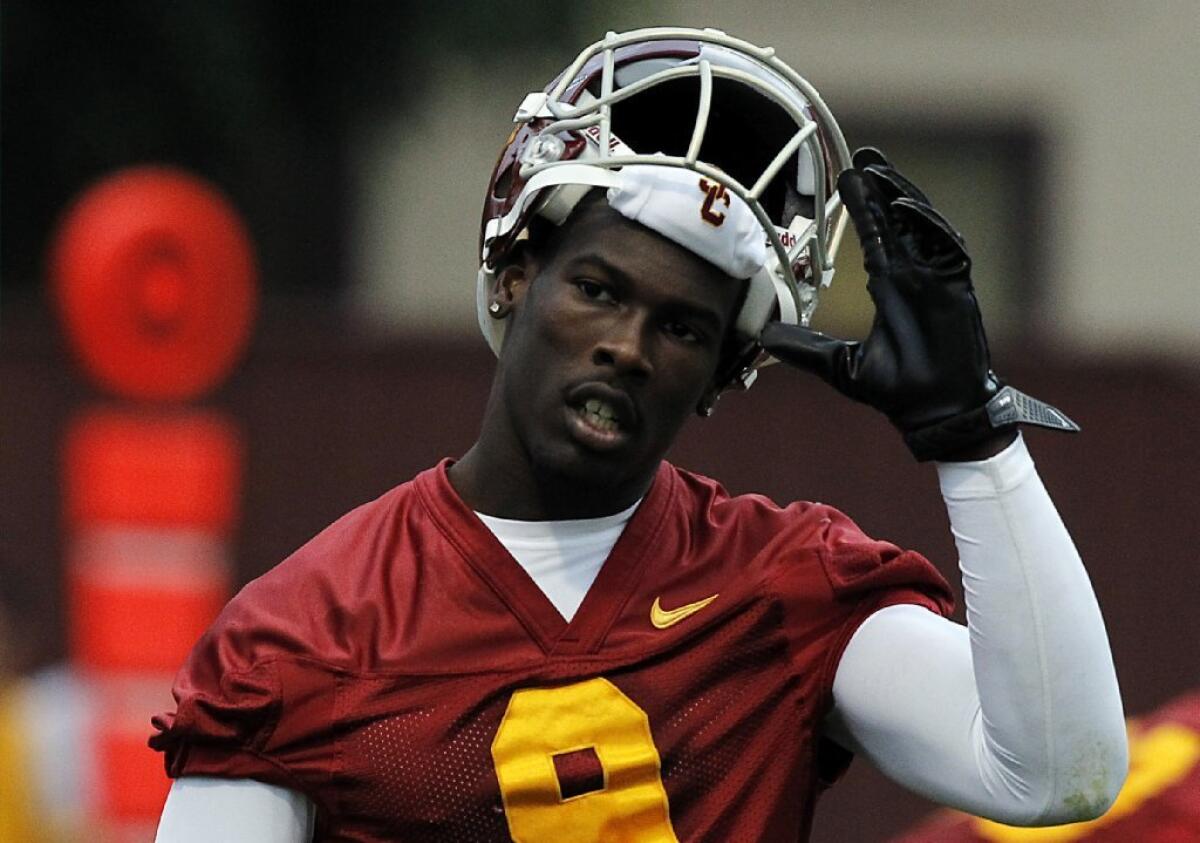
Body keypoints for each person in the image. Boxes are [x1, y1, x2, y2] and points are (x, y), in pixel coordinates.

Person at [152, 27, 1127, 842]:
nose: (627, 346)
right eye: (599, 290)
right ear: (512, 277)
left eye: (684, 328)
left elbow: (1054, 774)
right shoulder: (304, 634)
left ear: (722, 374)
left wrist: (974, 438)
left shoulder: (781, 587)